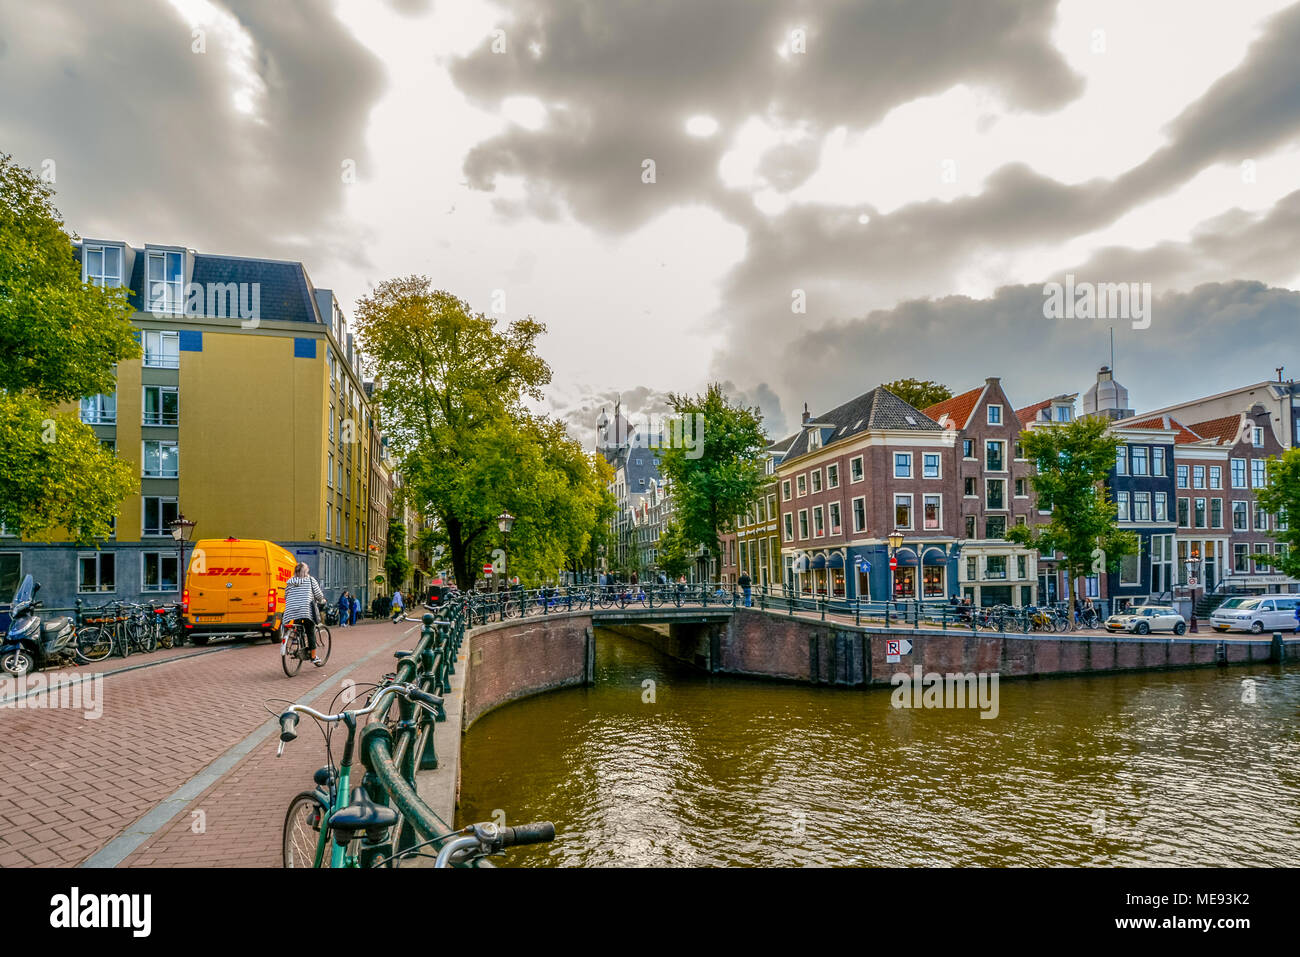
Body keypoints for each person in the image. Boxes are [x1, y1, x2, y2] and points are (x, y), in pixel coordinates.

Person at [283, 563, 326, 666]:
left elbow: (286, 596)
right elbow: (318, 595)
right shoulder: (310, 580)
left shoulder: (290, 582)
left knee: (298, 625)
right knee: (310, 630)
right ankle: (313, 657)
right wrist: (322, 600)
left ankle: (295, 640)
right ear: (306, 572)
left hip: (291, 611)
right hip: (305, 611)